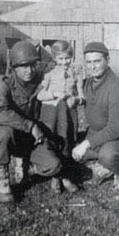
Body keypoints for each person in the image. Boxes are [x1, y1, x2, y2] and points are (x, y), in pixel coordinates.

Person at [0, 41, 63, 203]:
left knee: (54, 166)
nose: (29, 70)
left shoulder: (40, 80)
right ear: (14, 67)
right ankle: (1, 175)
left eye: (32, 65)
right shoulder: (4, 85)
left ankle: (25, 165)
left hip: (32, 139)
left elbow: (58, 72)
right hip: (13, 137)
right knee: (3, 131)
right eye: (23, 66)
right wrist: (30, 126)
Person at [72, 42, 119, 200]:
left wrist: (85, 144)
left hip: (118, 138)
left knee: (108, 155)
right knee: (68, 150)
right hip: (96, 134)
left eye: (97, 61)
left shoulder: (117, 87)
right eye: (88, 62)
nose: (92, 66)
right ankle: (103, 168)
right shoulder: (87, 83)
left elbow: (116, 128)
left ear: (107, 60)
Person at [37, 40, 84, 191]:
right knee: (54, 141)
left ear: (72, 57)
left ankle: (66, 176)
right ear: (55, 59)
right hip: (51, 114)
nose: (64, 62)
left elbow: (82, 97)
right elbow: (40, 95)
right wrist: (54, 93)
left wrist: (75, 99)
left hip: (68, 114)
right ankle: (55, 177)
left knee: (67, 142)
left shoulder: (76, 74)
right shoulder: (49, 75)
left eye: (67, 58)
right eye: (61, 59)